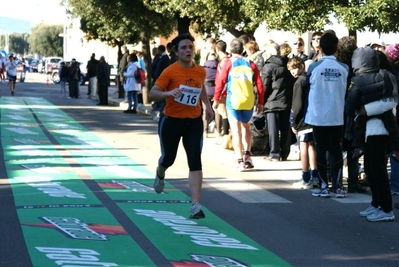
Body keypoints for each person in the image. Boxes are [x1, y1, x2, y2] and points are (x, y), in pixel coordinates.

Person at [149, 33, 213, 219]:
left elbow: (200, 87)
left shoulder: (200, 71)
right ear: (176, 52)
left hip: (193, 121)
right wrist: (169, 93)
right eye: (184, 48)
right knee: (169, 158)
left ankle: (195, 205)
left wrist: (207, 106)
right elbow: (153, 93)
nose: (188, 50)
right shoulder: (170, 71)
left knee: (195, 160)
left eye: (190, 47)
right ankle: (160, 172)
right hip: (171, 120)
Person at [346, 46, 397, 222]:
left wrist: (365, 110)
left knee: (377, 170)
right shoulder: (387, 77)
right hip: (377, 130)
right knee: (371, 169)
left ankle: (386, 208)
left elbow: (350, 105)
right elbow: (390, 102)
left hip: (376, 131)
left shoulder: (359, 81)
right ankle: (377, 203)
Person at [305, 32, 349, 198]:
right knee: (336, 150)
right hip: (337, 114)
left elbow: (307, 87)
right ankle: (338, 186)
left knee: (321, 149)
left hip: (318, 115)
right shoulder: (344, 68)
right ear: (336, 48)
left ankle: (324, 185)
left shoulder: (314, 67)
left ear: (320, 48)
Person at [213, 38, 264, 171]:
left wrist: (216, 99)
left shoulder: (228, 63)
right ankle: (248, 156)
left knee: (236, 131)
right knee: (247, 128)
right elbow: (259, 83)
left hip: (233, 101)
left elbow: (220, 81)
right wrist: (260, 102)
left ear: (230, 50)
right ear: (242, 50)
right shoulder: (250, 63)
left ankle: (240, 160)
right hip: (248, 100)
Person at [335, 36, 367, 193]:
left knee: (336, 147)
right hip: (353, 111)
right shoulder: (356, 68)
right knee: (353, 147)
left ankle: (336, 178)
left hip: (337, 109)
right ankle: (353, 181)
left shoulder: (338, 66)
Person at [288, 57, 318, 189]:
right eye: (291, 69)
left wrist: (293, 122)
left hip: (303, 120)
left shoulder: (299, 82)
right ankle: (315, 175)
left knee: (304, 147)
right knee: (312, 146)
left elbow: (297, 105)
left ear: (301, 66)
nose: (293, 71)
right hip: (313, 118)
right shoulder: (310, 79)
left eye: (295, 68)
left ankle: (306, 177)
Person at [262, 43, 295, 162]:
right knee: (285, 127)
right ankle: (285, 153)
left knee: (273, 129)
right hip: (286, 100)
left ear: (270, 53)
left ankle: (274, 153)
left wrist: (261, 101)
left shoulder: (268, 66)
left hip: (272, 101)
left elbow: (265, 86)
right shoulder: (288, 64)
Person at [214, 40, 230, 139]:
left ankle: (225, 136)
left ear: (217, 49)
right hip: (226, 90)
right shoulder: (228, 60)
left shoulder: (223, 62)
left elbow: (222, 79)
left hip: (224, 91)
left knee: (224, 113)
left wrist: (219, 94)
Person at [202, 52, 219, 137]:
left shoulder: (203, 68)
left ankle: (205, 131)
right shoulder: (219, 67)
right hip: (216, 90)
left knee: (205, 110)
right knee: (217, 111)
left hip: (206, 90)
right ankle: (218, 131)